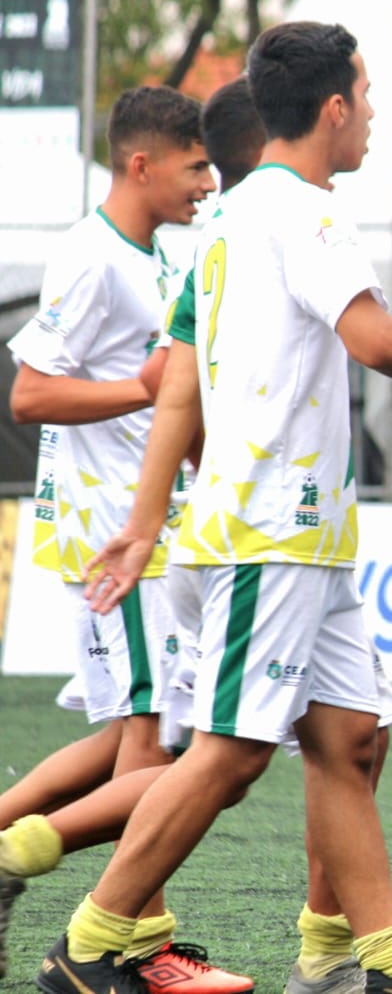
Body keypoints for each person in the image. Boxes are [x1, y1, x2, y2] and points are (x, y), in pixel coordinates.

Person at [51, 21, 392, 994]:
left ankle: (381, 965)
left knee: (353, 736)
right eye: (366, 94)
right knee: (227, 755)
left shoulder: (225, 218)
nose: (372, 116)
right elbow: (375, 339)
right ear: (336, 107)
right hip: (270, 531)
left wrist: (147, 523)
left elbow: (179, 386)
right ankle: (94, 943)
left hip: (285, 531)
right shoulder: (306, 211)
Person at [1, 84, 255, 994]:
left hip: (135, 524)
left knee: (128, 743)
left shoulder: (152, 252)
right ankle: (137, 951)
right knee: (159, 750)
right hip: (111, 532)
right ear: (141, 163)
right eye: (195, 167)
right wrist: (150, 391)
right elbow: (30, 395)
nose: (207, 182)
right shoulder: (91, 255)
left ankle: (24, 860)